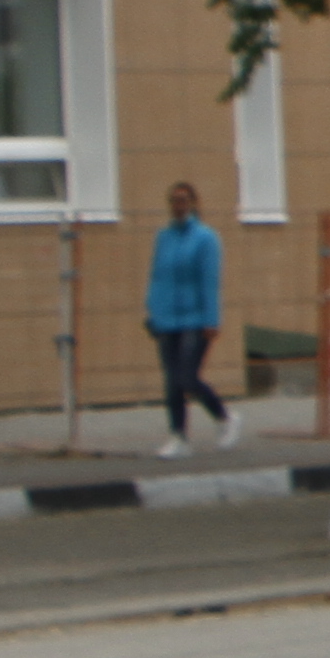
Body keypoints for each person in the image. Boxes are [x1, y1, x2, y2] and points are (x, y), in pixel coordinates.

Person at [143, 178, 233, 458]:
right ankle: (178, 436)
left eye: (183, 200)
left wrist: (211, 319)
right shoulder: (164, 237)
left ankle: (225, 418)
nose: (178, 206)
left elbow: (210, 280)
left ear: (193, 204)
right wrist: (153, 311)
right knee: (172, 380)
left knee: (187, 377)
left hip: (195, 318)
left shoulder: (206, 238)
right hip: (167, 318)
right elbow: (158, 276)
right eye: (174, 201)